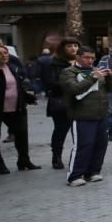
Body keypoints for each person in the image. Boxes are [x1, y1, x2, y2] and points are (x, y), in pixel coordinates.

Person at [61, 46, 112, 186]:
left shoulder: (95, 70)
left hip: (100, 115)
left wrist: (110, 76)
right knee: (83, 146)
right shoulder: (69, 72)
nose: (90, 60)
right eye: (87, 57)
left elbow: (111, 88)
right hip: (82, 115)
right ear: (78, 57)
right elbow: (73, 89)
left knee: (100, 145)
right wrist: (93, 78)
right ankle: (74, 176)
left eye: (92, 58)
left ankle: (93, 172)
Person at [0, 45, 39, 173]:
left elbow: (17, 87)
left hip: (15, 107)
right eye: (0, 54)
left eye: (5, 53)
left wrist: (28, 98)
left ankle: (24, 160)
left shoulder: (11, 68)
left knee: (21, 134)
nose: (4, 55)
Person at [44, 37, 80, 170]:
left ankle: (79, 157)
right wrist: (72, 85)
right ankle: (56, 157)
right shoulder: (54, 63)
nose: (73, 49)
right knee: (60, 131)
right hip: (61, 103)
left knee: (80, 132)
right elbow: (50, 83)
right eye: (70, 46)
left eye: (75, 46)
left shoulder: (81, 62)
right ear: (63, 48)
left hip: (81, 103)